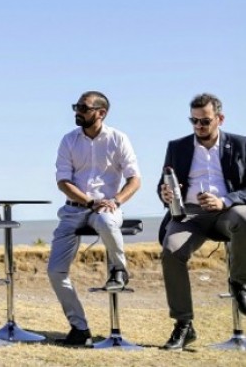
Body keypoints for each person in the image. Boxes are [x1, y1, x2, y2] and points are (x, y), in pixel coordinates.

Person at [47, 91, 141, 346]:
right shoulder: (68, 140)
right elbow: (62, 181)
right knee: (55, 271)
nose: (77, 111)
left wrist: (117, 200)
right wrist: (88, 201)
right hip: (73, 210)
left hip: (107, 208)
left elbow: (135, 179)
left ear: (101, 113)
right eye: (76, 106)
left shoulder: (118, 139)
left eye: (83, 107)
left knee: (106, 221)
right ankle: (79, 328)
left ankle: (119, 270)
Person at [157, 93, 246, 350]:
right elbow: (162, 184)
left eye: (205, 121)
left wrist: (225, 200)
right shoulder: (177, 147)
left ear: (220, 118)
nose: (199, 127)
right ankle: (184, 325)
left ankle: (239, 281)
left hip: (226, 211)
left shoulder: (240, 145)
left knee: (244, 217)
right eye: (193, 121)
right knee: (171, 251)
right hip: (189, 215)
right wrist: (165, 193)